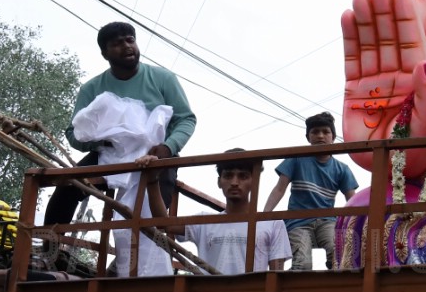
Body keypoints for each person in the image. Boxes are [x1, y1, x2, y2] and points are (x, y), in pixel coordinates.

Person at [45, 22, 196, 226]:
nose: (127, 46)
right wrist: (104, 143)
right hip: (108, 154)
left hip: (155, 153)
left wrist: (168, 147)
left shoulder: (163, 78)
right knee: (68, 187)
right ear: (104, 54)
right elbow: (73, 133)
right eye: (117, 43)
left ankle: (146, 251)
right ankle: (50, 249)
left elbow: (186, 119)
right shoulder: (92, 88)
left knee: (153, 208)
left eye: (130, 40)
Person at [140, 149, 290, 274]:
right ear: (219, 182)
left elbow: (276, 276)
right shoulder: (204, 222)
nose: (235, 182)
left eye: (243, 176)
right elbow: (164, 224)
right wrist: (152, 180)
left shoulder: (272, 224)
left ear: (254, 182)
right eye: (228, 175)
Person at [264, 112, 358, 270]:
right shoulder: (296, 159)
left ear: (333, 136)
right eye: (315, 132)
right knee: (302, 262)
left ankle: (337, 290)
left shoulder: (341, 169)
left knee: (337, 254)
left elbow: (353, 201)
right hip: (298, 222)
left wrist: (356, 225)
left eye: (325, 132)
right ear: (308, 137)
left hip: (327, 221)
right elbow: (279, 189)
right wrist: (264, 216)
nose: (320, 136)